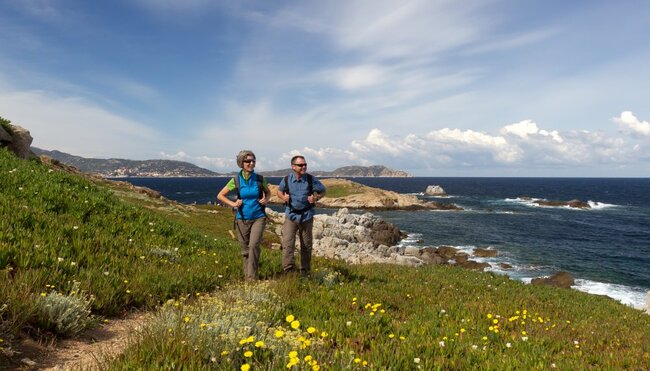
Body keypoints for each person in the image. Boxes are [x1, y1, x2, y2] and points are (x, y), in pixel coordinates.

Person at [217, 150, 270, 280]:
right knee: (245, 250)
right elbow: (220, 195)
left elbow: (268, 193)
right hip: (242, 219)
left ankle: (252, 278)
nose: (251, 163)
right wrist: (233, 203)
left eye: (253, 161)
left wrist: (266, 199)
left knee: (253, 246)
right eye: (248, 161)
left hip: (258, 217)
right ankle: (248, 278)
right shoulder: (236, 180)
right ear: (241, 163)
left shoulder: (260, 179)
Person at [276, 155, 326, 276]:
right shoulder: (287, 179)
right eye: (300, 165)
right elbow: (279, 191)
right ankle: (288, 270)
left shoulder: (310, 179)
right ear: (293, 166)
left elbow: (323, 190)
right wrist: (283, 197)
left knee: (306, 245)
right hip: (291, 216)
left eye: (305, 164)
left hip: (306, 216)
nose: (304, 166)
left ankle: (305, 271)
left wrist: (315, 198)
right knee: (288, 243)